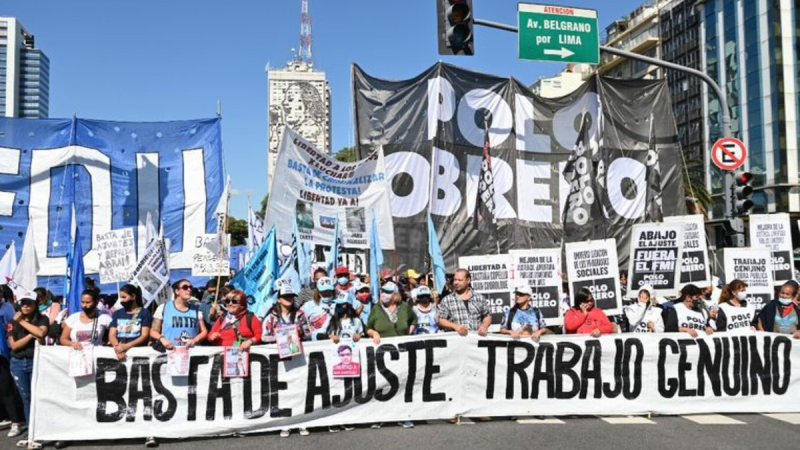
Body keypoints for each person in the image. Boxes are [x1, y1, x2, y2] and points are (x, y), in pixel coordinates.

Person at [261, 284, 311, 438]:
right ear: (279, 299)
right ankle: (285, 423)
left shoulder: (300, 314)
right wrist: (281, 336)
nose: (289, 299)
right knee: (282, 391)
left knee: (300, 389)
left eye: (291, 297)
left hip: (298, 358)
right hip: (279, 359)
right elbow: (264, 336)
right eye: (285, 297)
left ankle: (302, 421)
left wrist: (301, 333)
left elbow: (309, 334)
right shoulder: (271, 316)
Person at [366, 282, 416, 429]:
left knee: (402, 383)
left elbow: (414, 320)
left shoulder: (405, 307)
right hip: (382, 354)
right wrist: (374, 332)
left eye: (388, 292)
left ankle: (403, 416)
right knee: (381, 385)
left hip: (401, 353)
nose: (383, 294)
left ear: (395, 294)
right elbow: (367, 328)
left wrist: (409, 333)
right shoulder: (376, 308)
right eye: (382, 291)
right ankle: (379, 416)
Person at [7, 293, 48, 448]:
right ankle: (32, 430)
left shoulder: (42, 319)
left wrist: (23, 322)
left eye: (29, 304)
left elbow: (41, 332)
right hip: (18, 363)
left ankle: (41, 429)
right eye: (23, 303)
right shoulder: (13, 322)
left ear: (35, 305)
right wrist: (31, 334)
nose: (25, 306)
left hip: (35, 361)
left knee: (39, 396)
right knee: (26, 397)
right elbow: (14, 345)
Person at [150, 280, 208, 350]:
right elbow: (153, 331)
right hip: (170, 351)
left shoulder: (196, 310)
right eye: (185, 287)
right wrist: (162, 339)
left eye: (190, 287)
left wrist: (195, 340)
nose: (189, 289)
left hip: (190, 352)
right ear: (177, 291)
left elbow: (204, 331)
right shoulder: (163, 308)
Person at [0, 286, 24, 443]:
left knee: (6, 388)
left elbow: (13, 327)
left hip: (3, 354)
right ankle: (4, 417)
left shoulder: (7, 308)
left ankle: (16, 421)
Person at [437, 269, 491, 336]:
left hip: (476, 341)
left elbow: (487, 316)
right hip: (457, 341)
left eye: (459, 280)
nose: (456, 283)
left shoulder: (479, 298)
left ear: (468, 280)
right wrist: (456, 326)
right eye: (455, 280)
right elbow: (441, 320)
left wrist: (484, 326)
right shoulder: (447, 300)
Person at [109, 284, 153, 361]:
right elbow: (112, 334)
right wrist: (117, 348)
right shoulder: (117, 313)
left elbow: (144, 335)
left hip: (138, 354)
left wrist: (126, 346)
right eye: (120, 297)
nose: (121, 300)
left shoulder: (144, 313)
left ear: (133, 296)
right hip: (120, 353)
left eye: (124, 297)